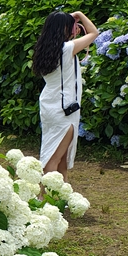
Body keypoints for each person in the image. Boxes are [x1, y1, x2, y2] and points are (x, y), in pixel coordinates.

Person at [33, 10, 98, 181]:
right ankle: (46, 194)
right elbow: (94, 33)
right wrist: (80, 14)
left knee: (59, 157)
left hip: (50, 105)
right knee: (53, 159)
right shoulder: (67, 49)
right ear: (64, 29)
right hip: (64, 109)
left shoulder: (43, 50)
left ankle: (63, 193)